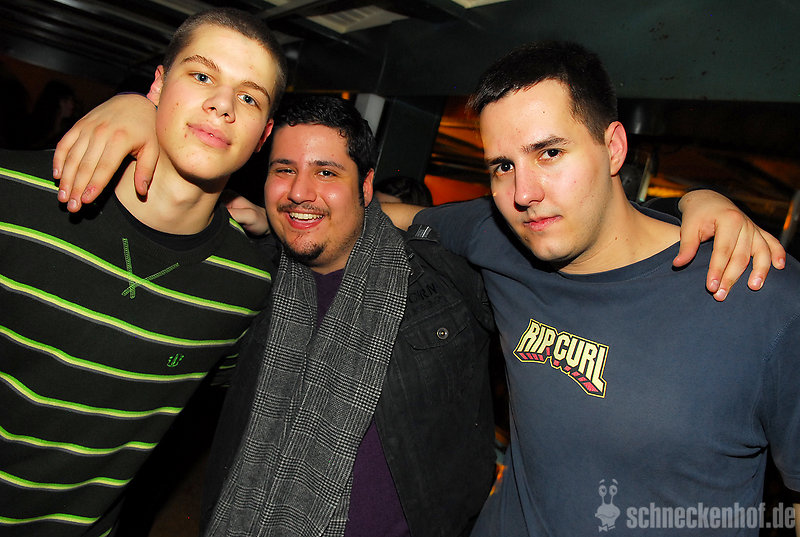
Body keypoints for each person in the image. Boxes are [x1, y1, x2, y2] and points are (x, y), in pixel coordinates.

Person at [387, 41, 799, 536]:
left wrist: (701, 196)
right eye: (503, 166)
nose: (523, 193)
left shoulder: (763, 298)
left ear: (614, 148)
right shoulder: (500, 239)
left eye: (550, 153)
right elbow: (394, 216)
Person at [0, 8, 286, 536]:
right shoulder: (13, 196)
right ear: (157, 85)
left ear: (263, 135)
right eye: (201, 75)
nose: (223, 105)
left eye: (249, 98)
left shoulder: (245, 286)